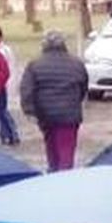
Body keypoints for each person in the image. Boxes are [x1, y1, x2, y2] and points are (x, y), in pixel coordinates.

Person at [20, 31, 88, 171]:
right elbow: (83, 87)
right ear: (63, 44)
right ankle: (64, 179)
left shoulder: (35, 64)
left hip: (45, 114)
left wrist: (29, 111)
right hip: (69, 114)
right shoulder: (76, 63)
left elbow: (27, 90)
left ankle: (53, 172)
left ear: (44, 45)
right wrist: (75, 102)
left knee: (50, 146)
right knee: (66, 149)